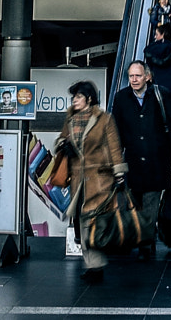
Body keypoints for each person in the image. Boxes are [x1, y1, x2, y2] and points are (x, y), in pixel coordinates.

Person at [109, 60, 171, 259]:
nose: (134, 80)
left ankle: (146, 242)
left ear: (147, 77)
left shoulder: (161, 94)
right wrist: (114, 157)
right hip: (133, 160)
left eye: (138, 76)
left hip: (157, 159)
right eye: (131, 76)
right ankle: (135, 237)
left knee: (151, 201)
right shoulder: (121, 98)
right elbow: (115, 130)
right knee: (132, 201)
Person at [59, 80, 124, 284]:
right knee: (81, 223)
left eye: (78, 97)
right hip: (78, 181)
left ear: (89, 98)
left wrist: (119, 173)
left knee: (91, 223)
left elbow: (114, 147)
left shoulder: (104, 120)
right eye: (73, 97)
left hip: (99, 179)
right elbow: (61, 140)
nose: (74, 101)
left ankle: (95, 266)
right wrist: (63, 146)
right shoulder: (70, 120)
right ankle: (93, 264)